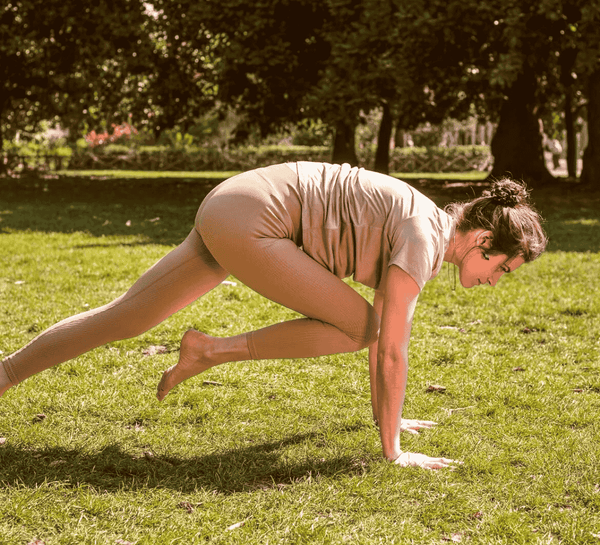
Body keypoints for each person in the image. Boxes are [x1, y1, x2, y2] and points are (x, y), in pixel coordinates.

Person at [0, 162, 547, 469]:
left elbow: (388, 348)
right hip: (253, 219)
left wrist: (392, 415)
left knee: (128, 317)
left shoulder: (424, 229)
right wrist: (393, 451)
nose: (497, 281)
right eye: (503, 268)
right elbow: (389, 348)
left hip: (236, 204)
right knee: (365, 328)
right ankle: (209, 350)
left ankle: (2, 375)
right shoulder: (424, 238)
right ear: (480, 240)